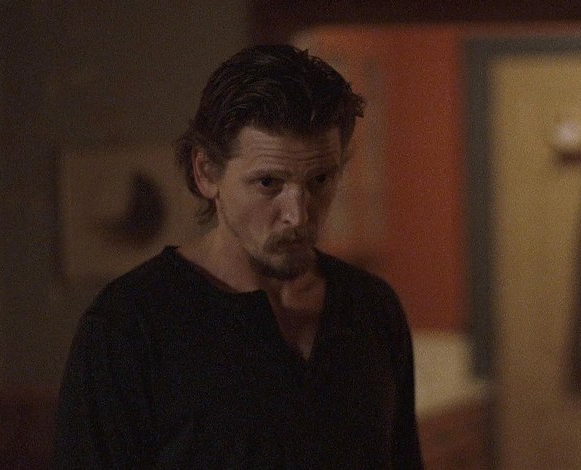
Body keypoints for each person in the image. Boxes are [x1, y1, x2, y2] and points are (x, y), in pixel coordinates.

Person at [53, 45, 424, 469]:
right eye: (269, 183)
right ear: (206, 173)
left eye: (320, 179)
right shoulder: (128, 325)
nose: (298, 215)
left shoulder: (372, 307)